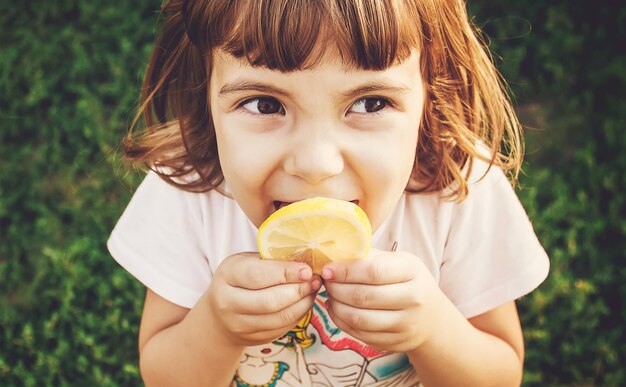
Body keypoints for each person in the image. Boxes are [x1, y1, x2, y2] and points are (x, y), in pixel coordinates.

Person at [108, 0, 550, 385]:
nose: (317, 165)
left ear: (428, 93)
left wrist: (433, 331)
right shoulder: (188, 193)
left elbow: (500, 373)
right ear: (206, 94)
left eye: (371, 103)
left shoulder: (457, 192)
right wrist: (216, 329)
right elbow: (165, 376)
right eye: (265, 104)